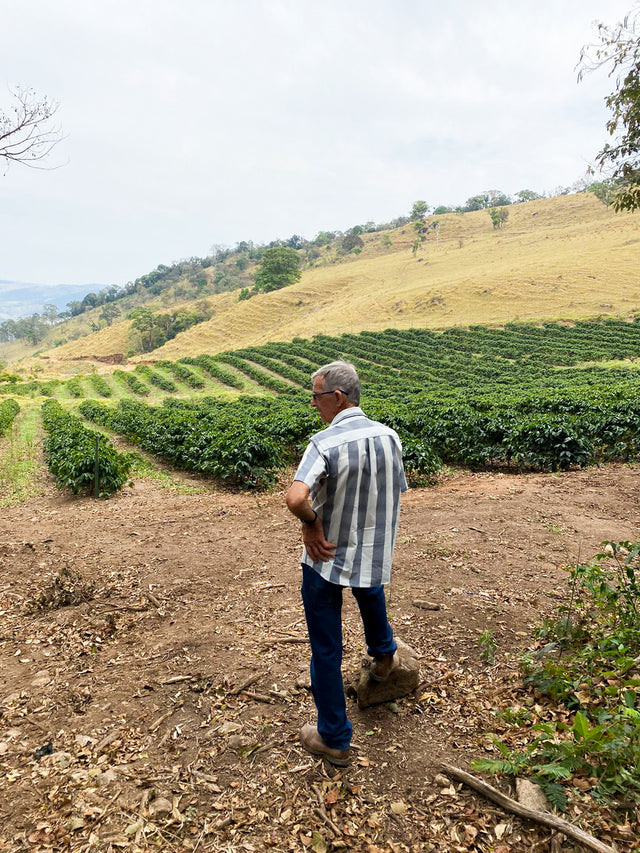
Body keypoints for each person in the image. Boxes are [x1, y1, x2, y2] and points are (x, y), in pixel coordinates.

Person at [286, 360, 407, 766]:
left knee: (325, 647)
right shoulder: (390, 436)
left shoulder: (325, 442)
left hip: (326, 555)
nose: (314, 404)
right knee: (370, 590)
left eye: (317, 397)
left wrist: (311, 524)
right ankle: (384, 656)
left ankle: (334, 737)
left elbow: (296, 498)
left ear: (336, 398)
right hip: (370, 549)